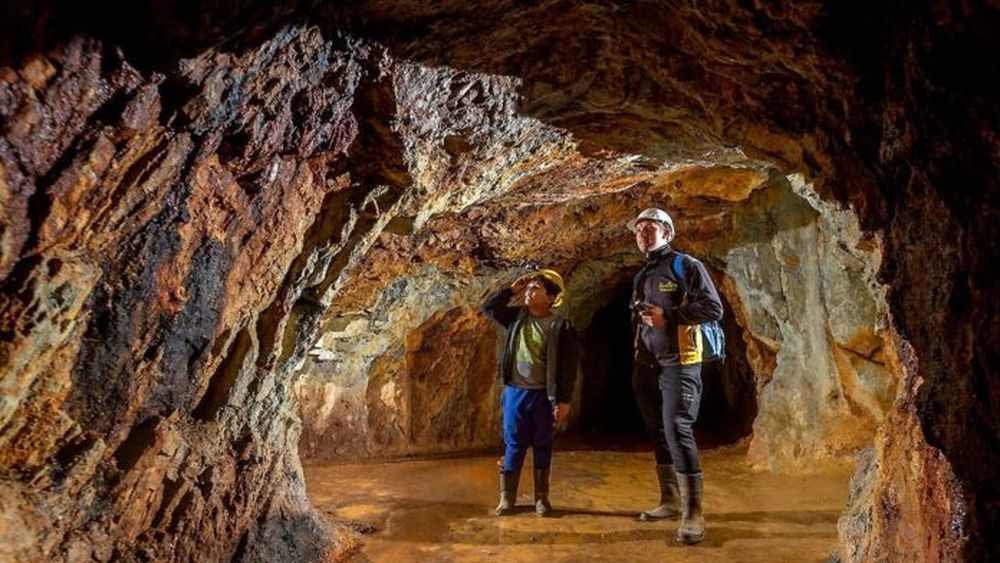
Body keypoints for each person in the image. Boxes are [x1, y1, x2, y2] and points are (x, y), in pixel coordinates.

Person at [628, 208, 723, 545]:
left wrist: (669, 315)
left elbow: (713, 308)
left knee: (677, 428)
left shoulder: (686, 265)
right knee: (658, 430)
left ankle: (693, 513)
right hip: (647, 364)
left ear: (667, 232)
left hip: (680, 362)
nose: (642, 234)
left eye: (650, 228)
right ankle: (669, 500)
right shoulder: (643, 274)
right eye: (638, 229)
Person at [481, 269, 579, 517]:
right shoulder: (516, 318)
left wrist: (564, 400)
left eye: (536, 288)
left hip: (544, 395)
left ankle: (541, 499)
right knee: (514, 443)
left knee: (543, 444)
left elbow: (568, 367)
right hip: (516, 392)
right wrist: (511, 290)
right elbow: (489, 307)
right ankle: (507, 498)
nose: (529, 291)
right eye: (529, 287)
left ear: (551, 298)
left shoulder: (561, 326)